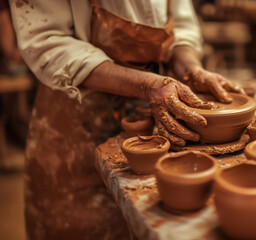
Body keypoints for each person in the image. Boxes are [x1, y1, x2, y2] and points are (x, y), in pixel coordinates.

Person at [9, 0, 244, 239]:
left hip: (155, 104)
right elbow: (47, 40)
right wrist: (145, 85)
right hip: (74, 115)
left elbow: (181, 25)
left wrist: (191, 68)